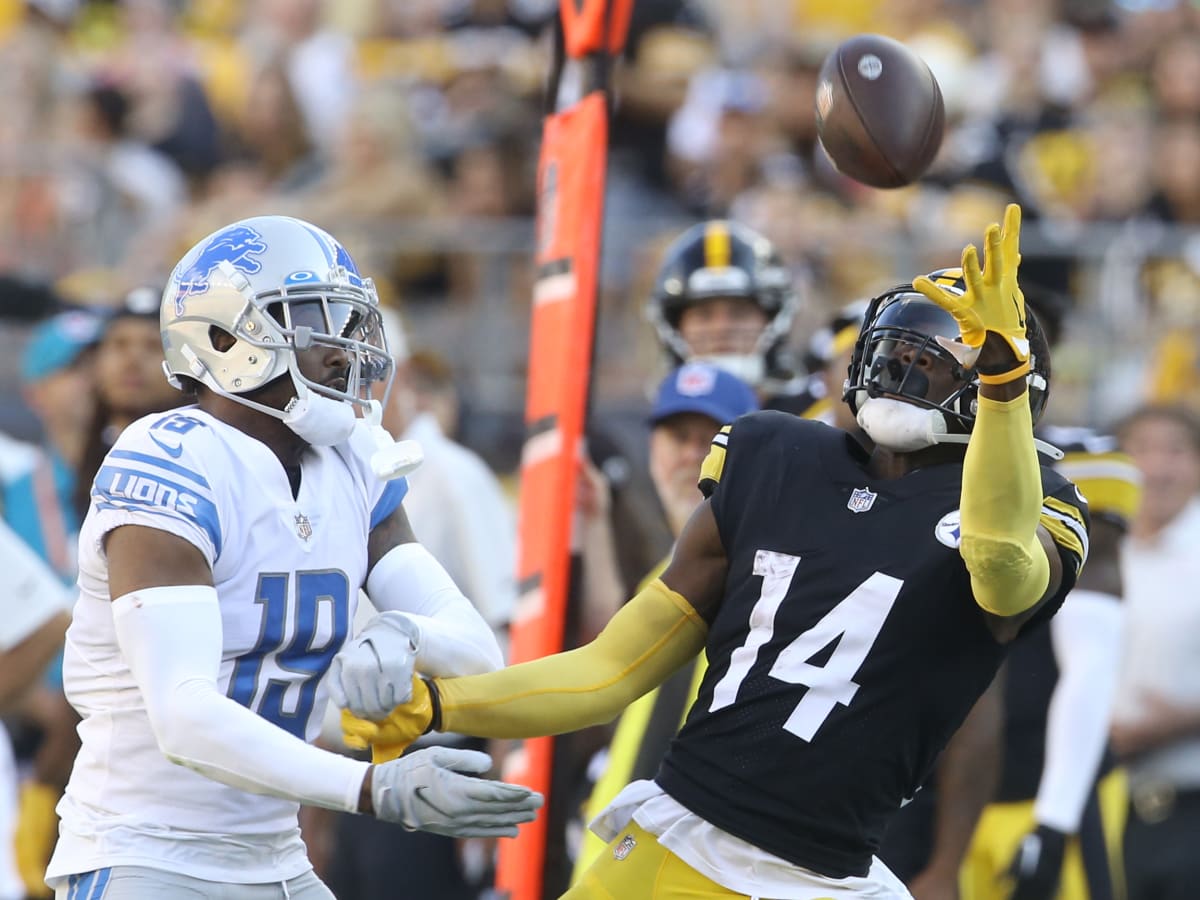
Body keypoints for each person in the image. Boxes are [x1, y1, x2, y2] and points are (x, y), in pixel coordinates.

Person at [347, 205, 1091, 899]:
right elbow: (610, 670)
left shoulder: (1037, 505)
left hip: (830, 876)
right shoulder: (777, 453)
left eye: (940, 358)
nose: (904, 367)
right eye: (898, 347)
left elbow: (998, 563)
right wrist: (440, 702)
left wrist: (1001, 387)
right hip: (683, 841)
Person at [43, 216, 542, 900]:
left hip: (275, 857)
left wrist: (403, 634)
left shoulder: (354, 462)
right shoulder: (169, 459)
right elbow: (184, 716)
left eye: (347, 319)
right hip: (147, 853)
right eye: (311, 320)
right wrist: (367, 787)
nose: (342, 349)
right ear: (225, 339)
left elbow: (479, 651)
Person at [572, 361, 759, 878]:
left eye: (711, 437)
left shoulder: (762, 581)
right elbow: (606, 665)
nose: (690, 454)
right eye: (677, 436)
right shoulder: (666, 573)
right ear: (652, 450)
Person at [1109, 404, 1200, 899]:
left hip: (1188, 810)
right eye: (1140, 449)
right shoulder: (1095, 553)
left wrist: (1178, 722)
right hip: (1100, 809)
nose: (1157, 467)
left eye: (1176, 450)